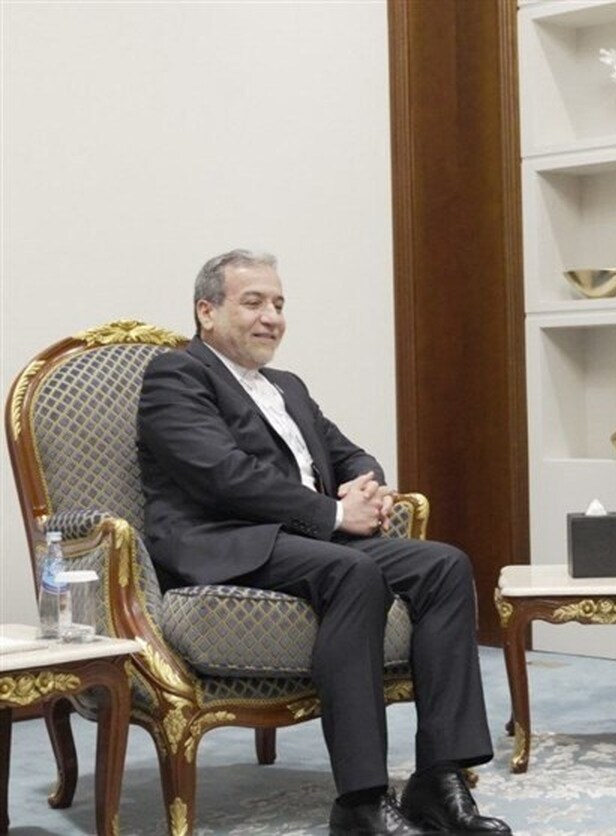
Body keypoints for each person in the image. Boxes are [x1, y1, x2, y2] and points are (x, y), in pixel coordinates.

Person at [137, 250, 510, 836]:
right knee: (353, 572)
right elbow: (221, 475)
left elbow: (348, 452)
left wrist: (367, 486)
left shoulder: (286, 386)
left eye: (279, 304)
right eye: (253, 302)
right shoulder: (177, 375)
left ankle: (439, 778)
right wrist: (335, 513)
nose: (272, 317)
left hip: (307, 539)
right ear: (206, 311)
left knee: (444, 566)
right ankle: (361, 800)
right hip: (228, 541)